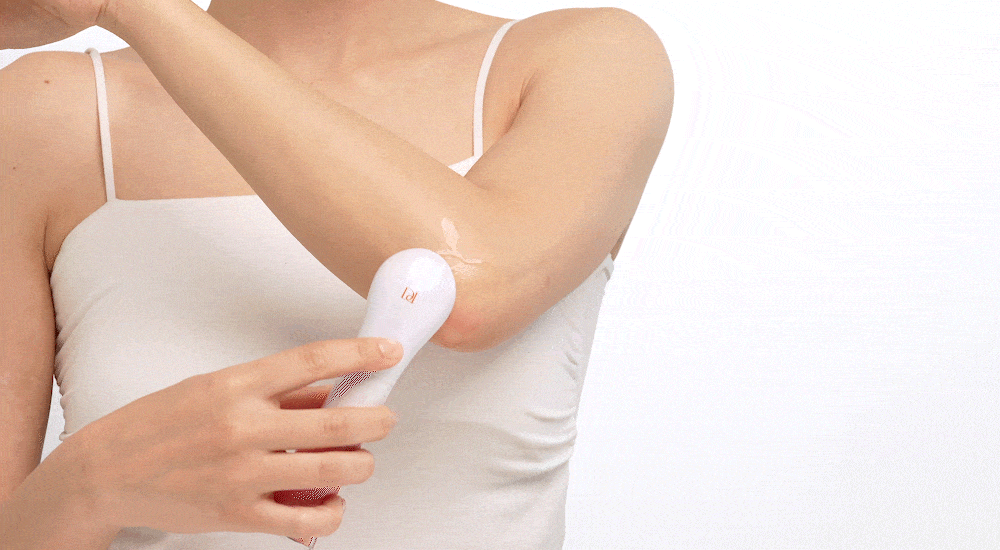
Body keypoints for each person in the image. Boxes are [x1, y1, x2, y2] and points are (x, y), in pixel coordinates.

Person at [0, 0, 673, 548]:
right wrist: (93, 482)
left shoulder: (585, 59)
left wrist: (137, 7)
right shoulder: (43, 112)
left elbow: (470, 289)